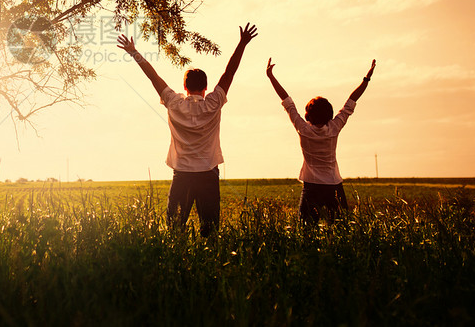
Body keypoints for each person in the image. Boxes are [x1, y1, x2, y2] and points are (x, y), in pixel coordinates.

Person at [117, 23, 258, 237]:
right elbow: (229, 73)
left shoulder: (174, 103)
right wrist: (242, 44)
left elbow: (153, 77)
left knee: (175, 230)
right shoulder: (213, 103)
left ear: (184, 86)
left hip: (182, 174)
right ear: (206, 88)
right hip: (208, 174)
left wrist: (134, 52)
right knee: (210, 232)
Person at [265, 57, 376, 224]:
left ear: (308, 115)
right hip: (334, 185)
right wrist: (366, 79)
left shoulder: (303, 129)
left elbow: (288, 102)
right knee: (342, 228)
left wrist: (271, 76)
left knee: (306, 230)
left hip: (311, 186)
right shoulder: (334, 127)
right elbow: (351, 101)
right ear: (329, 114)